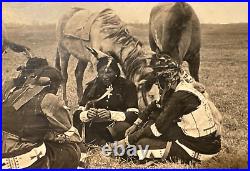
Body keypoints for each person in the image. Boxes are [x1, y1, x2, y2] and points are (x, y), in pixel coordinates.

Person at [114, 57, 222, 164]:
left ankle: (173, 155)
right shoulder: (181, 86)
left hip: (199, 149)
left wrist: (127, 141)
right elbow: (155, 104)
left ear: (167, 78)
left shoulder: (179, 96)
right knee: (149, 126)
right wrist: (136, 124)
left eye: (158, 79)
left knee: (142, 145)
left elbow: (157, 129)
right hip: (201, 140)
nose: (156, 84)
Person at [2, 65, 82, 168]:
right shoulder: (49, 99)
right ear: (54, 85)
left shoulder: (14, 93)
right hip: (23, 157)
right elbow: (70, 133)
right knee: (70, 149)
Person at [73, 57, 139, 146]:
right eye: (101, 72)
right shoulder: (92, 86)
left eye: (109, 72)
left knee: (123, 127)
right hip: (95, 125)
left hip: (116, 126)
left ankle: (105, 143)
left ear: (116, 72)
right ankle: (99, 143)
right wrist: (87, 114)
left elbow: (134, 113)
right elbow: (78, 112)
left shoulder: (127, 86)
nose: (105, 76)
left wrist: (111, 114)